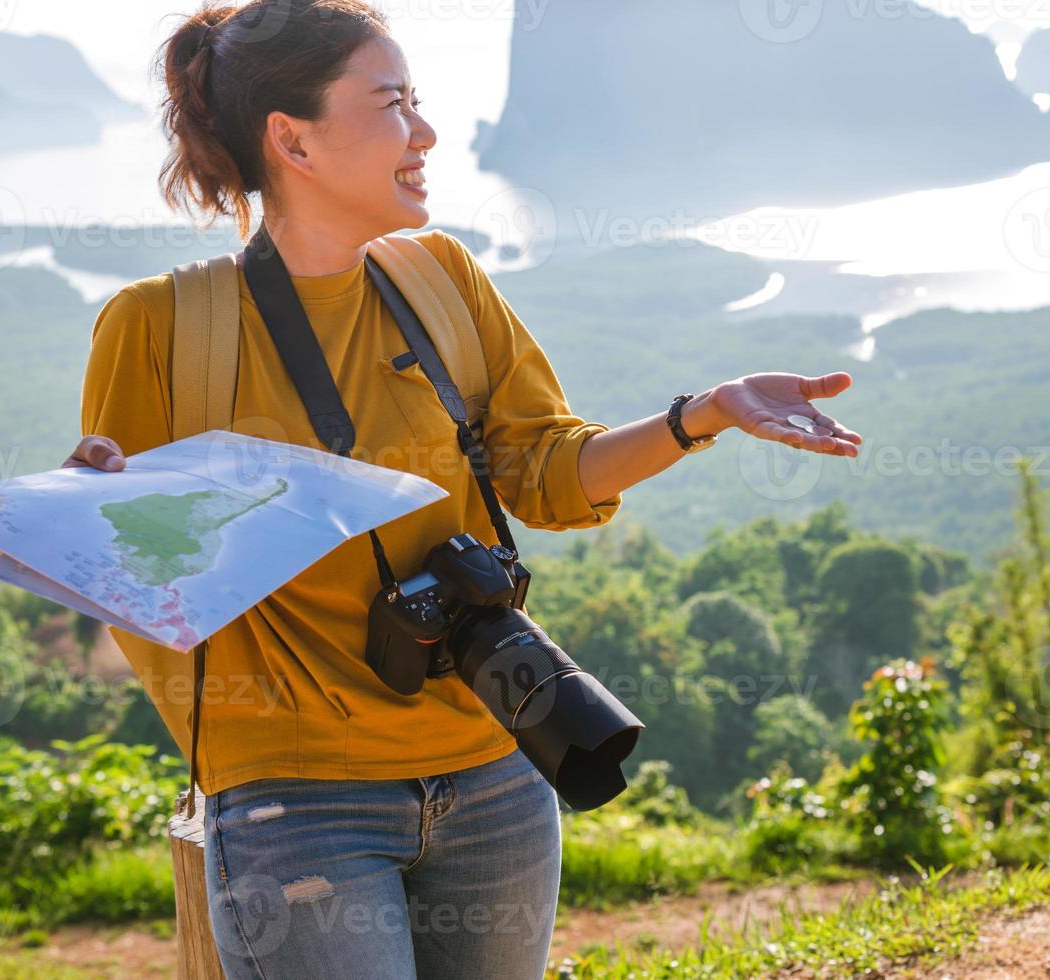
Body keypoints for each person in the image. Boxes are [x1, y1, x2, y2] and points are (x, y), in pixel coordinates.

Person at [63, 1, 862, 976]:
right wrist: (96, 515)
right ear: (292, 138)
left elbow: (547, 472)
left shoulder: (440, 279)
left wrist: (706, 412)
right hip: (294, 803)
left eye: (419, 102)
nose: (426, 132)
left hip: (494, 768)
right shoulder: (159, 327)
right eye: (392, 104)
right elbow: (138, 590)